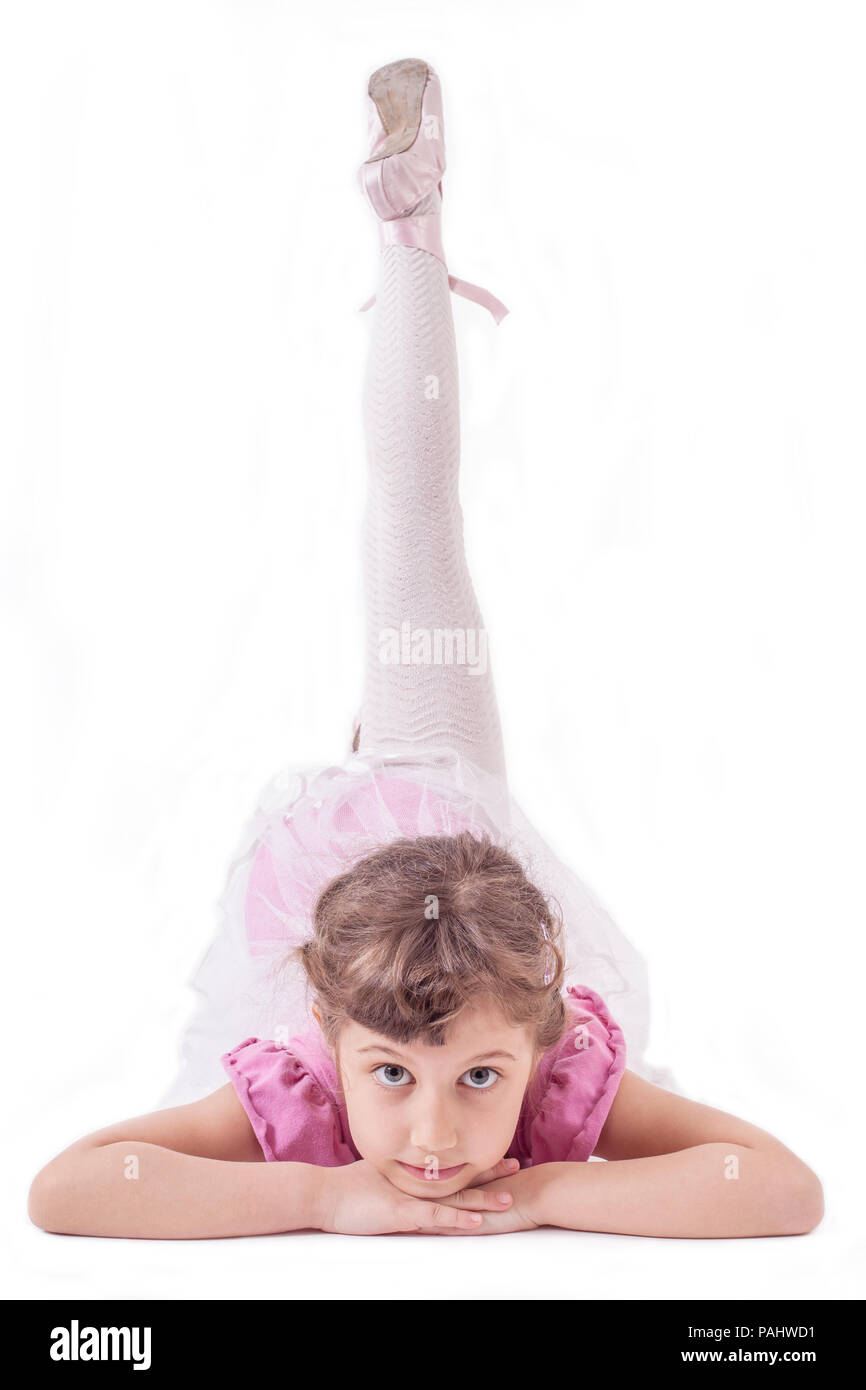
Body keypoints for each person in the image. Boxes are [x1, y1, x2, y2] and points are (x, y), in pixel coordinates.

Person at [27, 59, 823, 1240]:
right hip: (432, 802)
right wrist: (318, 1191)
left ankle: (409, 232)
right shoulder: (301, 1076)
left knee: (415, 535)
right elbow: (63, 1188)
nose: (435, 1140)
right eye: (390, 1073)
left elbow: (786, 1188)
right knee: (414, 527)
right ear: (329, 1036)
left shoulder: (550, 1059)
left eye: (479, 1078)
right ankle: (409, 228)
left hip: (438, 859)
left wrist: (547, 1186)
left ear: (541, 1041)